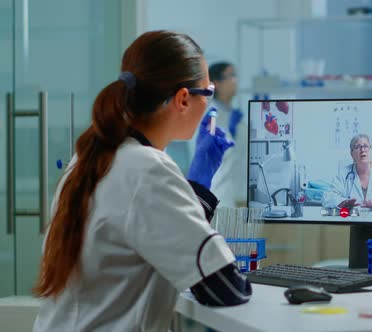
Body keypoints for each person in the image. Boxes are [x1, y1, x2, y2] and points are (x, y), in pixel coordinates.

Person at [33, 31, 251, 332]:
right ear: (184, 100)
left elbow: (157, 234)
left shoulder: (88, 159)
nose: (210, 101)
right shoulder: (148, 169)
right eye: (208, 91)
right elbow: (225, 288)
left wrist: (199, 185)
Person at [188, 61, 247, 207]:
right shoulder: (211, 115)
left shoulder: (235, 117)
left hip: (237, 195)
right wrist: (232, 136)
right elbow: (213, 152)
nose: (235, 80)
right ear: (216, 83)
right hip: (218, 194)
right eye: (230, 76)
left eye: (235, 76)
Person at [322, 134, 372, 211]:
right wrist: (343, 202)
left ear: (371, 150)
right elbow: (327, 197)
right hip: (352, 219)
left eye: (366, 146)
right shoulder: (344, 173)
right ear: (352, 154)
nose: (362, 149)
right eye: (357, 147)